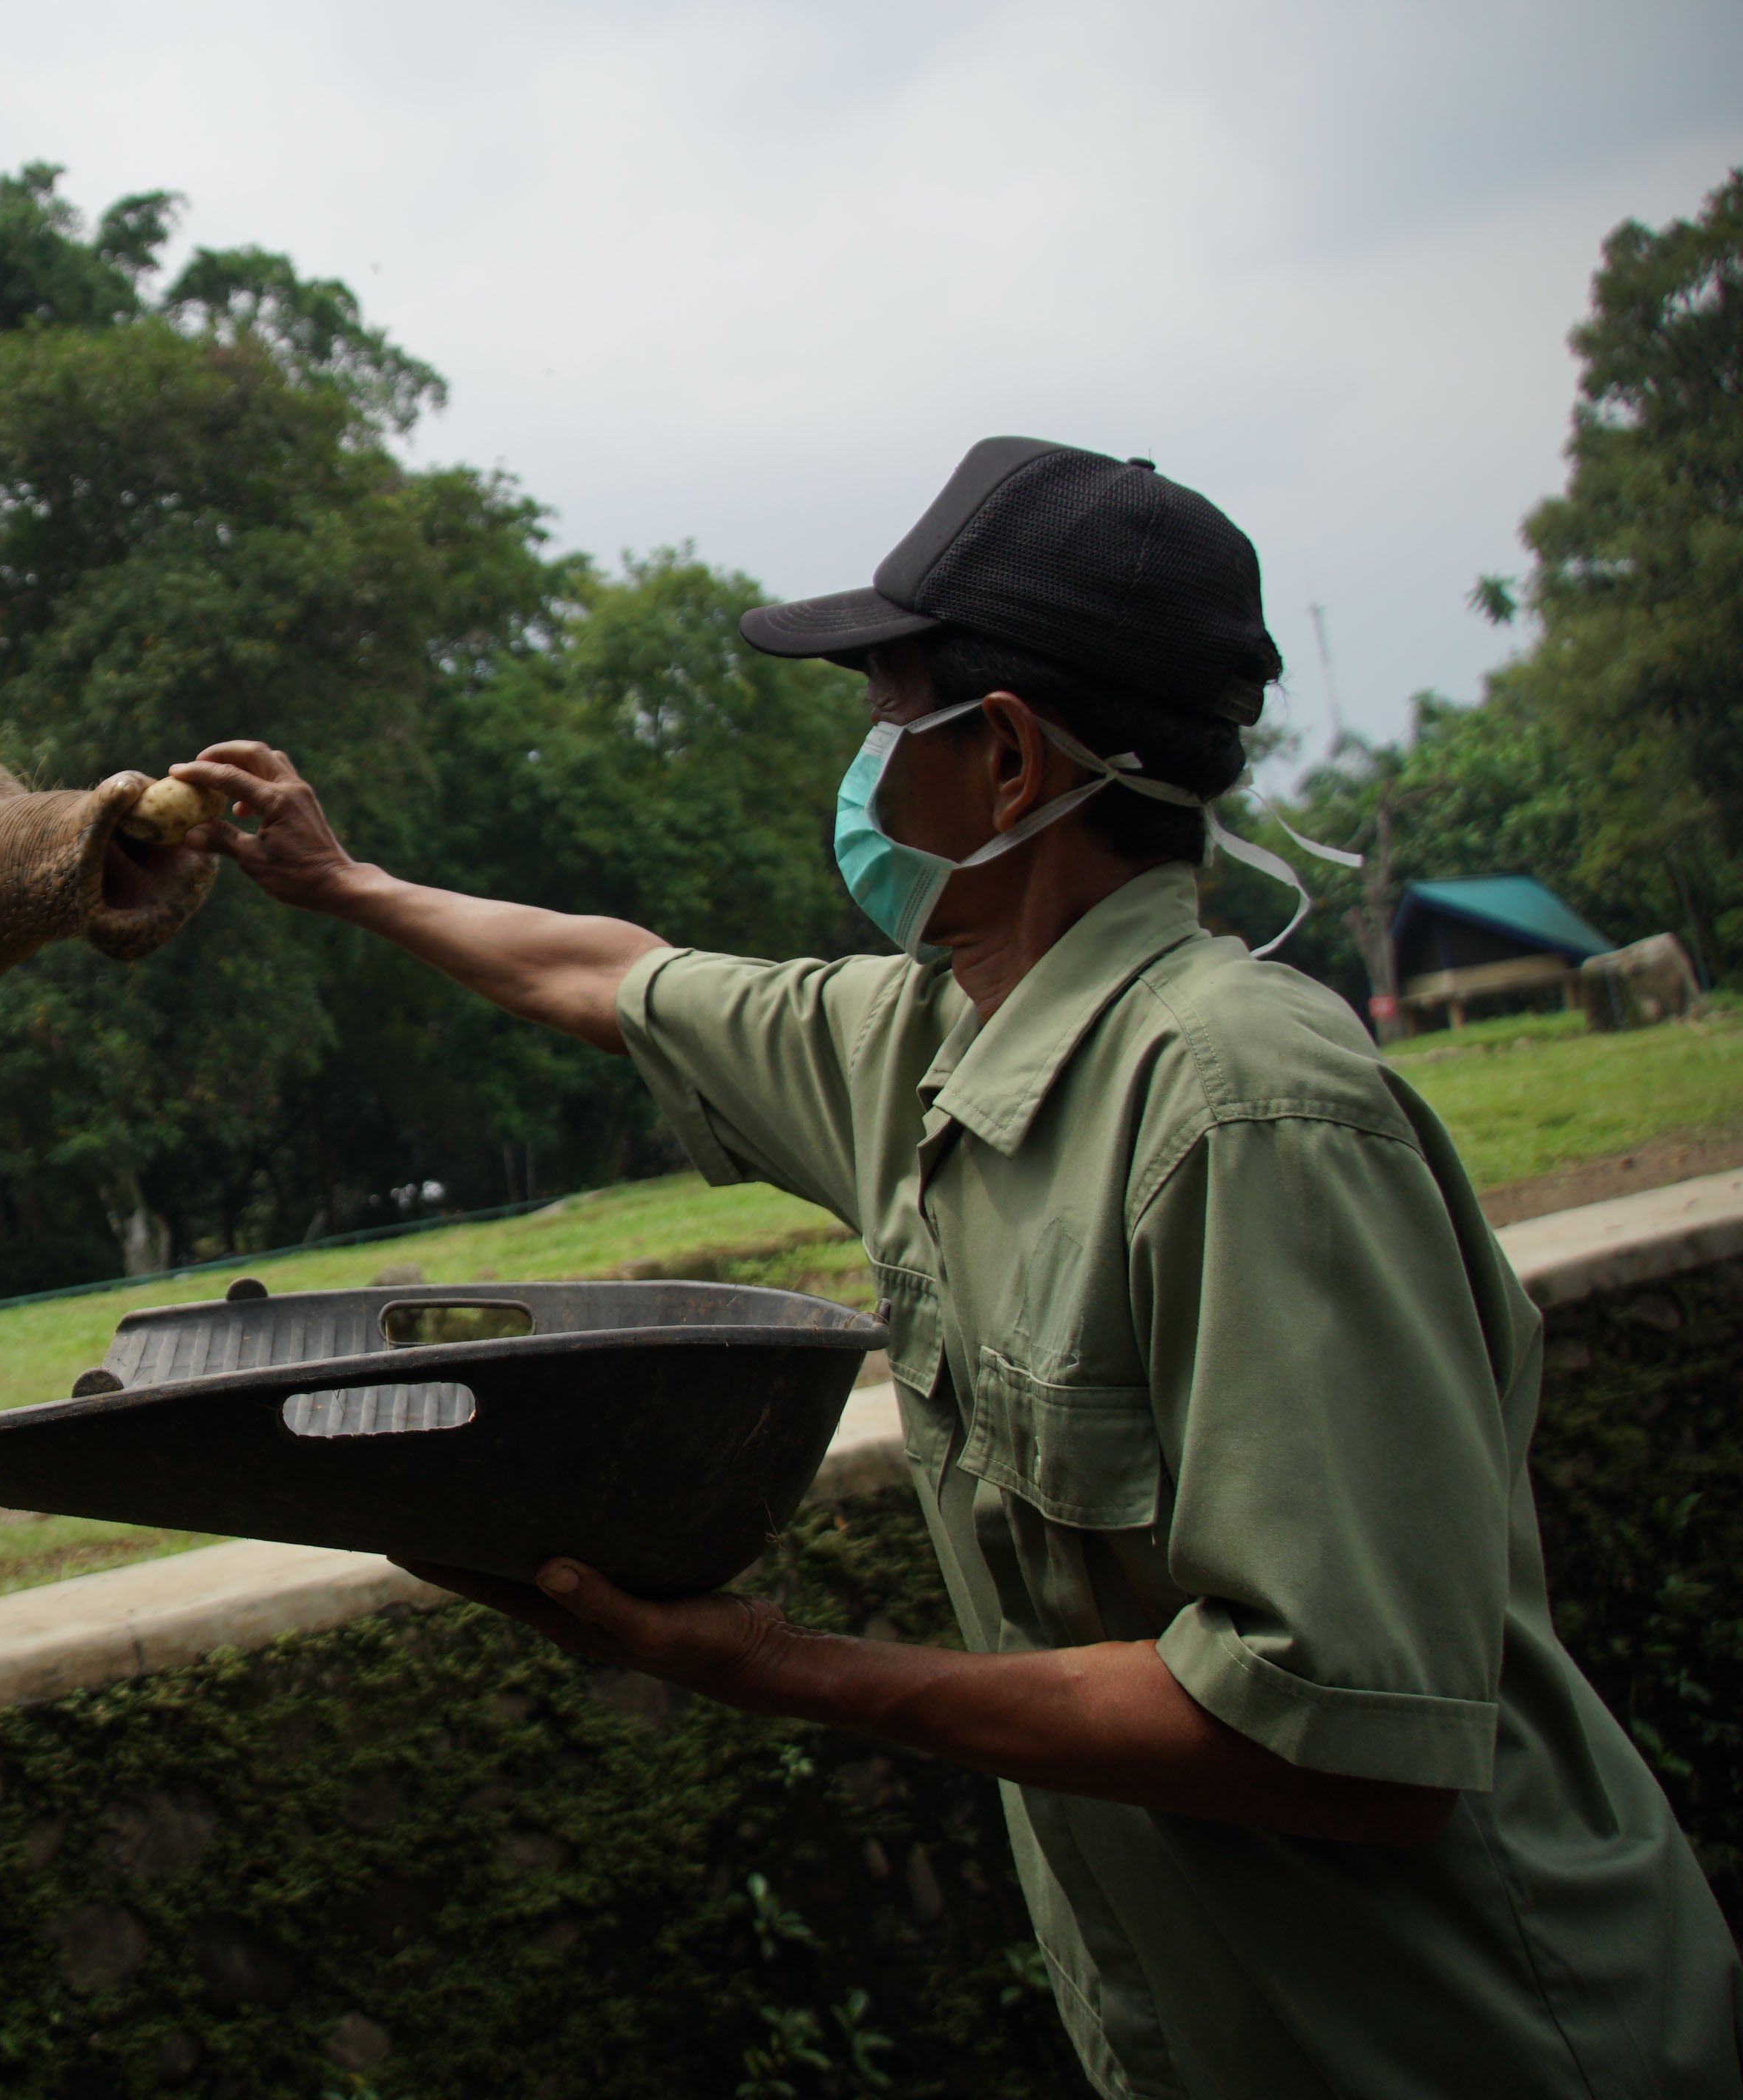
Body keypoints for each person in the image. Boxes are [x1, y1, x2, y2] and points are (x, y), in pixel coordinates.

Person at [170, 438, 1742, 2099]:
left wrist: (773, 1668)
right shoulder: (916, 1041)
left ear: (1000, 762)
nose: (858, 763)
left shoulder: (1239, 1107)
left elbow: (1354, 1744)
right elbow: (605, 975)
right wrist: (344, 885)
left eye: (882, 709)